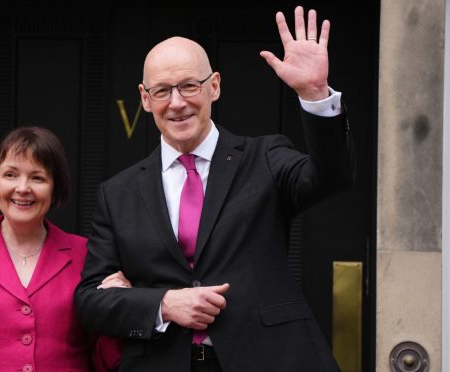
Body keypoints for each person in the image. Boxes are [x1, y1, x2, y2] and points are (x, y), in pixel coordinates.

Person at [75, 6, 354, 372]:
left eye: (190, 85)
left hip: (268, 358)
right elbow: (90, 301)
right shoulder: (119, 193)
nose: (177, 103)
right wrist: (162, 304)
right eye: (162, 91)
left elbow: (331, 176)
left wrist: (316, 94)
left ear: (214, 86)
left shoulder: (264, 157)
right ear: (145, 99)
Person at [0, 127, 130, 372]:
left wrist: (119, 307)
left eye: (37, 178)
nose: (22, 188)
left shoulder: (85, 254)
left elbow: (104, 358)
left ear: (55, 188)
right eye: (10, 175)